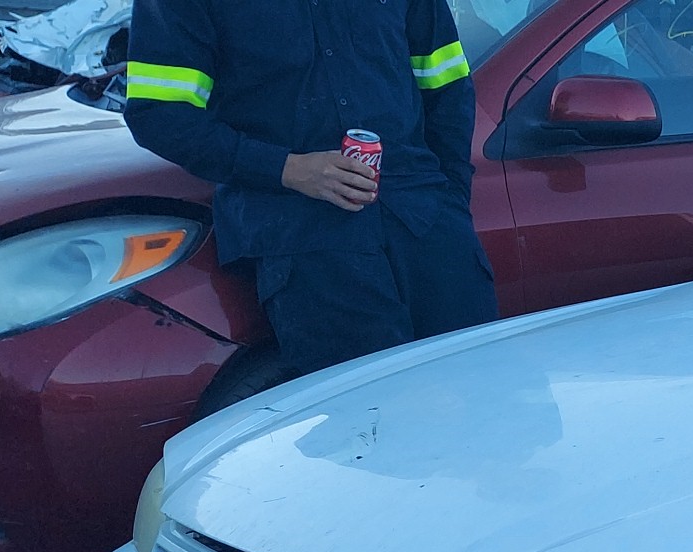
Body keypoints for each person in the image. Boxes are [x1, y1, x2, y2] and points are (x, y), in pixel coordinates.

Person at [123, 0, 499, 388]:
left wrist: (450, 200)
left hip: (425, 223)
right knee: (370, 419)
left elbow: (447, 82)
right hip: (304, 241)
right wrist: (287, 168)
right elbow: (159, 114)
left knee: (482, 395)